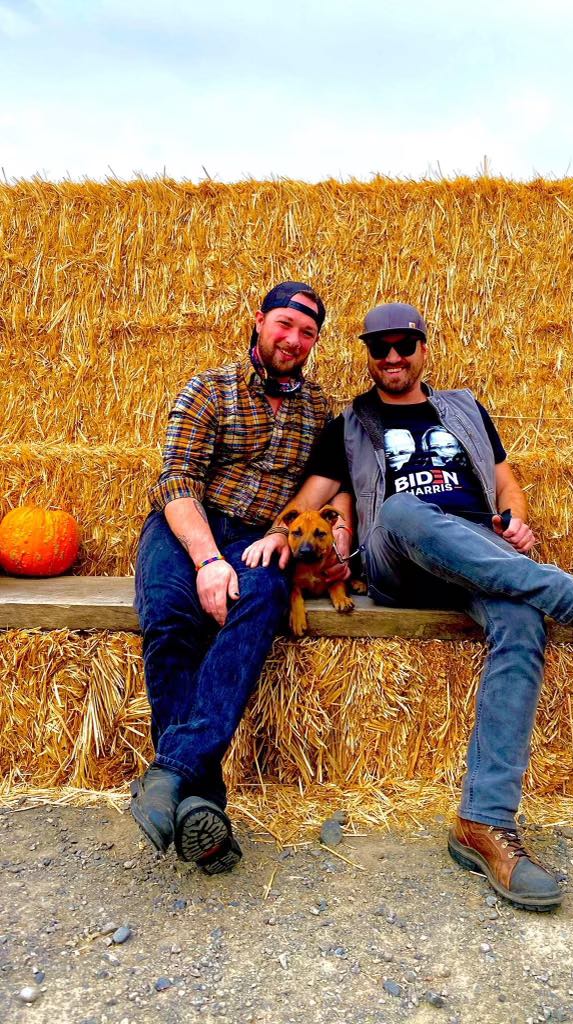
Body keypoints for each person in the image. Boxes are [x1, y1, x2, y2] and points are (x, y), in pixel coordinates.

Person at [243, 301, 573, 911]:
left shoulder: (464, 407)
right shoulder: (351, 424)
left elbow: (505, 479)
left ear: (422, 349)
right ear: (368, 354)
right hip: (400, 553)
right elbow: (310, 499)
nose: (391, 357)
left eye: (402, 345)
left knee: (521, 620)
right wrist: (275, 533)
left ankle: (484, 823)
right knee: (406, 509)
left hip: (477, 552)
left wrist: (515, 517)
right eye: (378, 347)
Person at [131, 282, 351, 875]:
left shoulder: (318, 410)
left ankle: (170, 775)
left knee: (261, 607)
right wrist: (207, 559)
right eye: (285, 325)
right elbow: (176, 483)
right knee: (173, 614)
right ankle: (202, 798)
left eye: (307, 333)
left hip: (260, 538)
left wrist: (315, 540)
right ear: (258, 322)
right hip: (189, 527)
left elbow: (336, 485)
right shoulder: (209, 390)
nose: (293, 340)